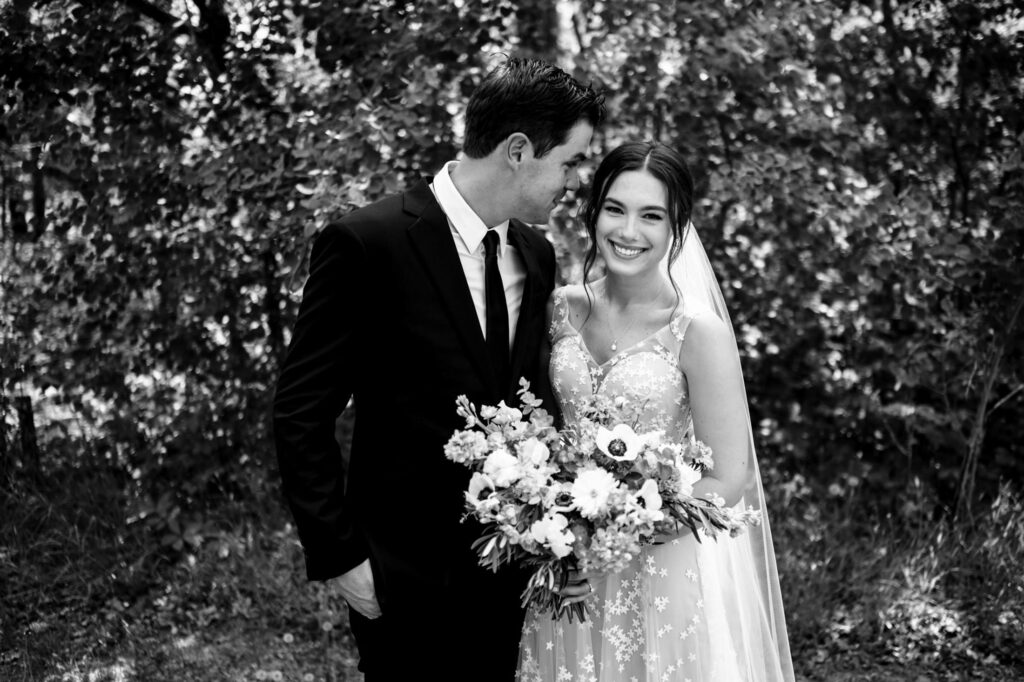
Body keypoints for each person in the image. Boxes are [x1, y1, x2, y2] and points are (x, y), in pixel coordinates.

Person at [272, 57, 605, 681]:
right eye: (570, 161)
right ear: (518, 150)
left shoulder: (534, 254)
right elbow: (300, 411)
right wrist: (342, 555)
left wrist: (557, 526)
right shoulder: (367, 243)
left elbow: (528, 398)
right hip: (401, 571)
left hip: (509, 566)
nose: (573, 181)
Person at [517, 141, 794, 681]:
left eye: (651, 216)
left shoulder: (697, 331)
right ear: (593, 211)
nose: (628, 231)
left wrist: (617, 538)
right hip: (562, 567)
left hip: (657, 572)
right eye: (615, 209)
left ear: (676, 228)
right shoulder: (560, 308)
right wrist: (550, 532)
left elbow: (728, 477)